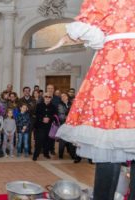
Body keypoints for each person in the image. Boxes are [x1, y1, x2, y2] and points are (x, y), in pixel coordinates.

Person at [46, 0, 135, 199]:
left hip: (115, 67)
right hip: (117, 66)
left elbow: (94, 35)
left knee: (107, 143)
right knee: (109, 144)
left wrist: (70, 35)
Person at [33, 93, 57, 161]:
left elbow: (55, 116)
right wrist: (42, 119)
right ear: (44, 97)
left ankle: (46, 153)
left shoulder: (53, 106)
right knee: (39, 141)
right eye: (46, 96)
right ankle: (36, 155)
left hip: (49, 126)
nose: (47, 98)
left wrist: (49, 118)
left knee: (48, 141)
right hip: (40, 125)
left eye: (49, 97)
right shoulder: (39, 105)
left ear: (51, 98)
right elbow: (36, 114)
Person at [57, 93, 74, 159]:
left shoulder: (71, 104)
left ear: (67, 97)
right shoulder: (60, 105)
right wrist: (69, 117)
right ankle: (60, 155)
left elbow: (74, 113)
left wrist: (70, 117)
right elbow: (61, 116)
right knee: (62, 140)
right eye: (61, 96)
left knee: (71, 139)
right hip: (63, 124)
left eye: (64, 96)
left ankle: (72, 154)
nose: (63, 97)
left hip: (71, 125)